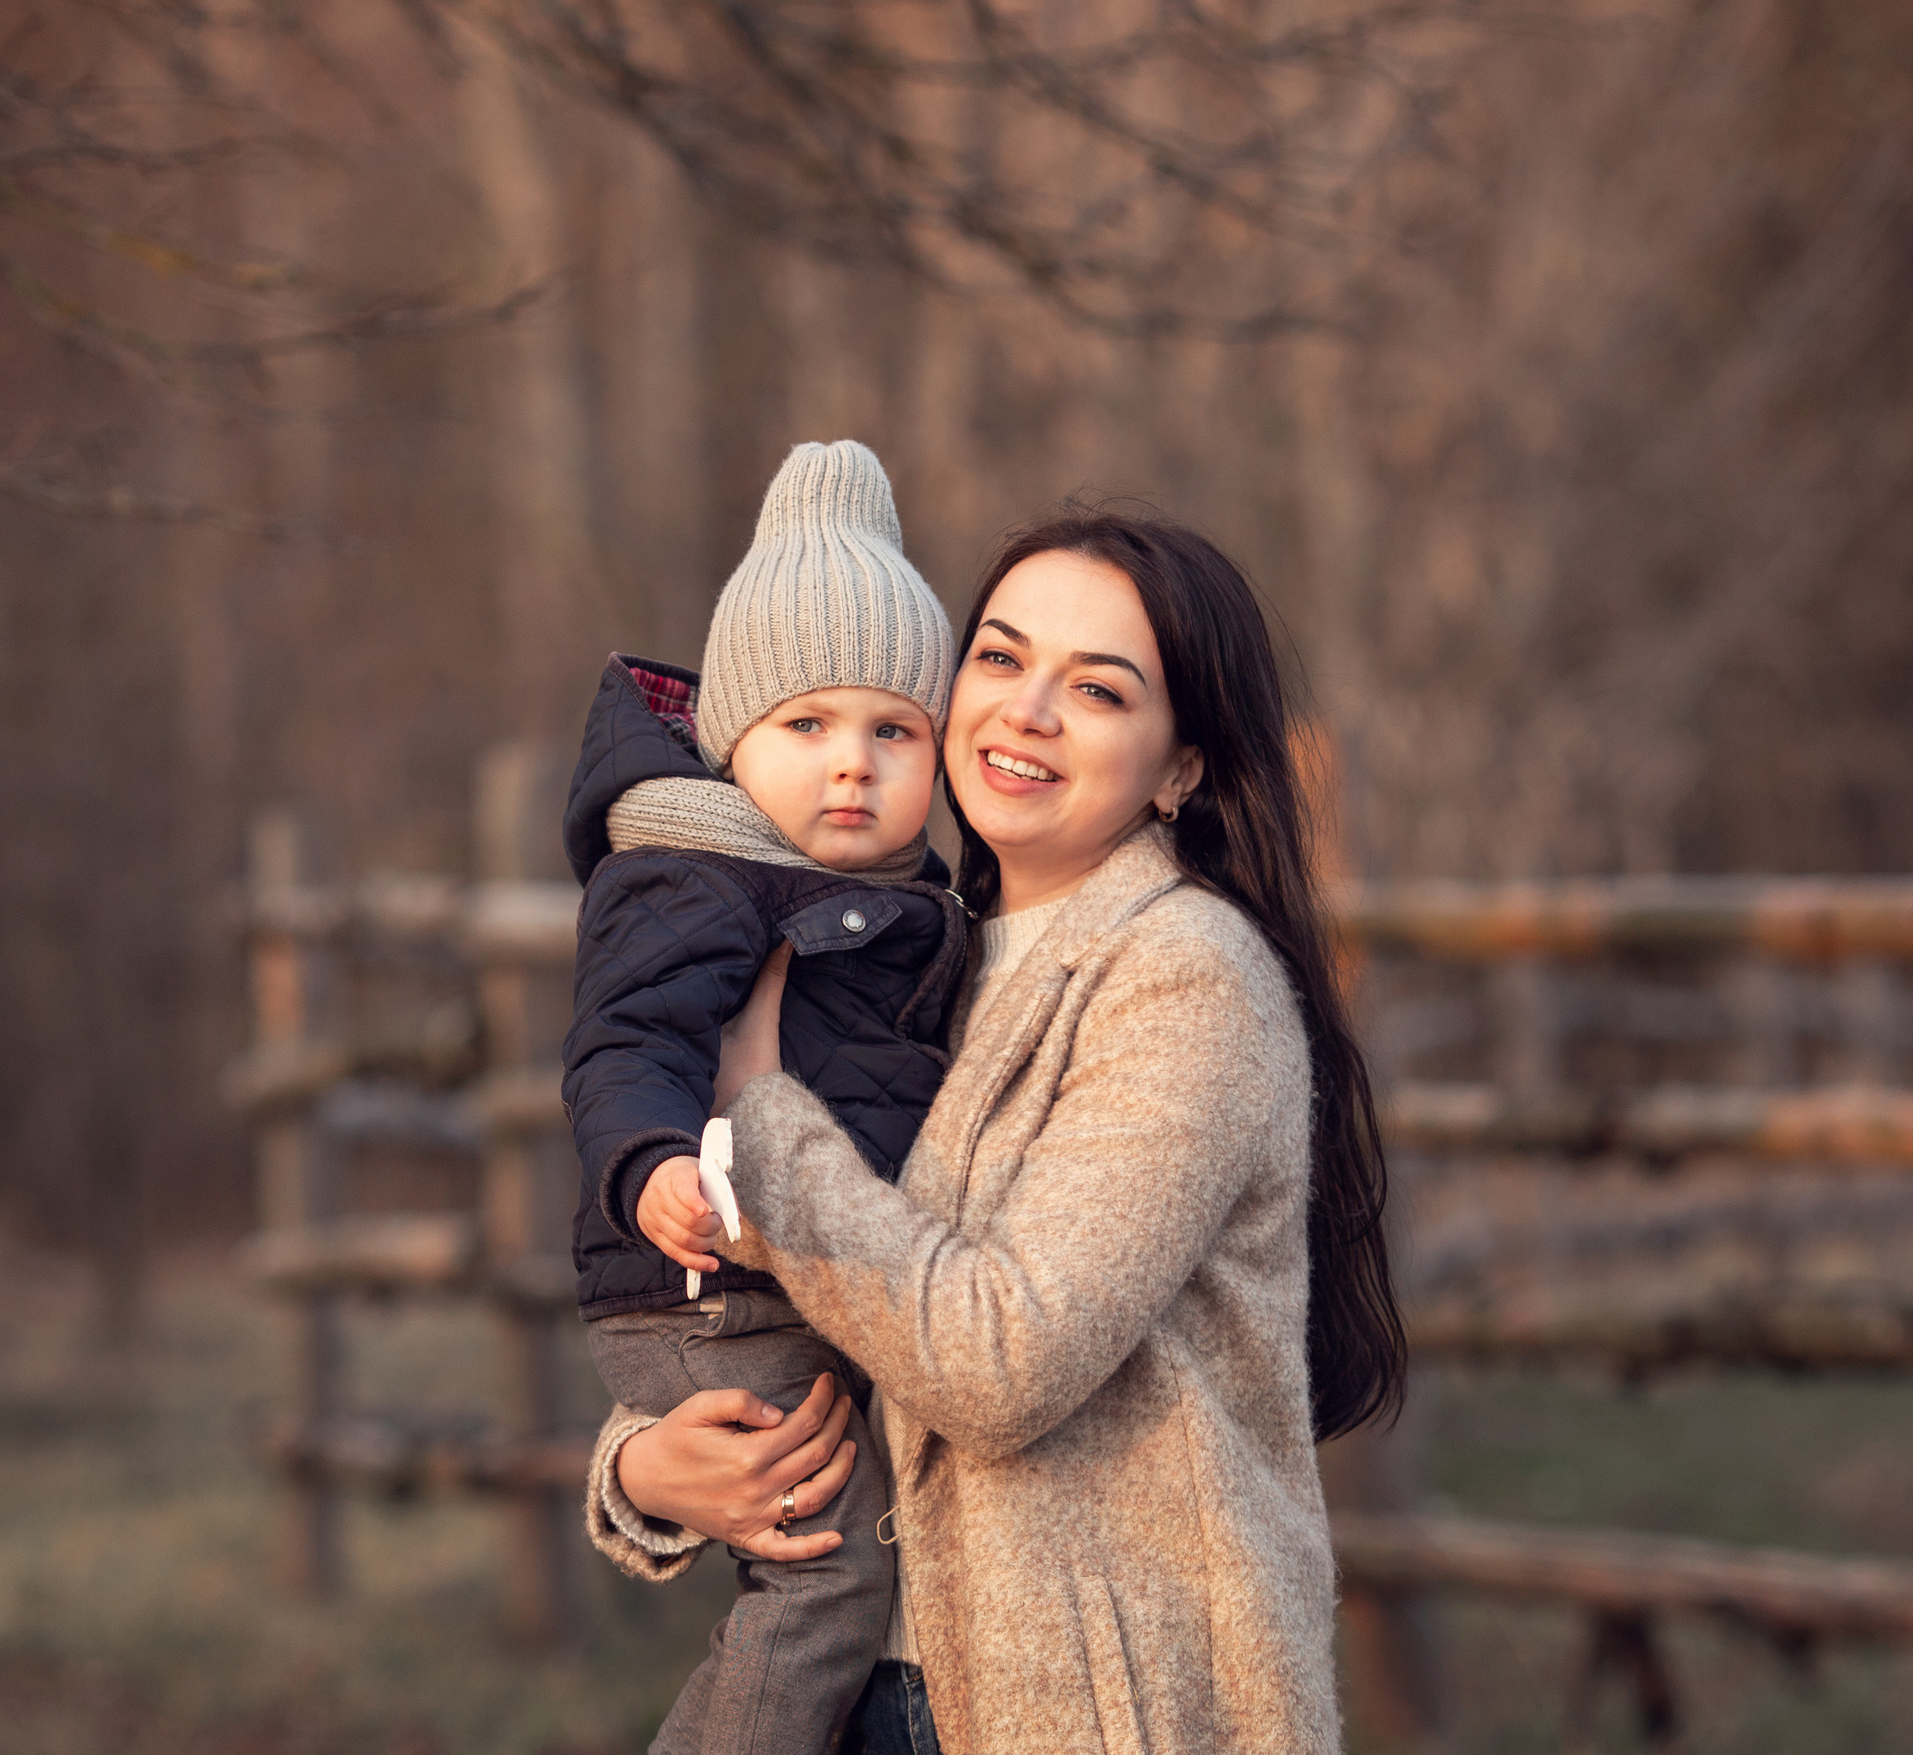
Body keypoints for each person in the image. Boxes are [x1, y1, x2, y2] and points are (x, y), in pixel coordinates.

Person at [585, 508, 1407, 1754]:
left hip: (1089, 1714)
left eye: (1096, 689)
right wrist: (646, 1470)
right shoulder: (914, 951)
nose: (1025, 711)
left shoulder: (1183, 979)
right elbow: (809, 1302)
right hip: (867, 1684)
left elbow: (997, 1358)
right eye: (1002, 658)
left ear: (1179, 767)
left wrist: (758, 1119)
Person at [562, 441, 974, 1755]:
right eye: (806, 725)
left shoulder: (942, 913)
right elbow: (623, 1039)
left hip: (792, 1286)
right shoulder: (696, 874)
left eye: (891, 730)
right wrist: (654, 1162)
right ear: (735, 740)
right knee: (825, 1577)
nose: (850, 764)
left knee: (828, 1568)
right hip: (706, 1279)